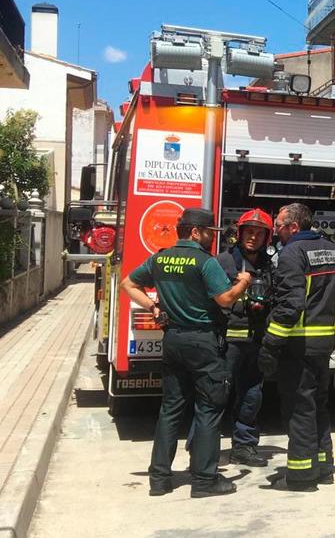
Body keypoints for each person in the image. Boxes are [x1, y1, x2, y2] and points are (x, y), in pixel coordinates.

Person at [120, 207, 251, 498]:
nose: (211, 238)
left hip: (173, 341)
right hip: (203, 341)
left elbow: (128, 283)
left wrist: (154, 307)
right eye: (208, 233)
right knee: (208, 408)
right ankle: (204, 481)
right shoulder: (206, 262)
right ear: (195, 232)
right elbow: (226, 300)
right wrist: (243, 282)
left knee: (170, 410)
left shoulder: (160, 258)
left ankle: (159, 479)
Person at [258, 203, 335, 492]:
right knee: (318, 408)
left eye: (278, 225)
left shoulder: (291, 254)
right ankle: (323, 468)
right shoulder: (334, 251)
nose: (274, 230)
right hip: (323, 347)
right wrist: (334, 333)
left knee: (299, 410)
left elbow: (291, 305)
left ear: (294, 227)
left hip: (298, 347)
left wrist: (270, 344)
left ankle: (301, 477)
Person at [216, 208, 274, 467]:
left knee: (252, 395)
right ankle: (202, 445)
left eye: (259, 233)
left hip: (255, 342)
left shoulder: (269, 265)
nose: (253, 237)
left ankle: (244, 446)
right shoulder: (222, 262)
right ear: (239, 234)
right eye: (249, 231)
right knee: (216, 393)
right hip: (226, 342)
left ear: (266, 238)